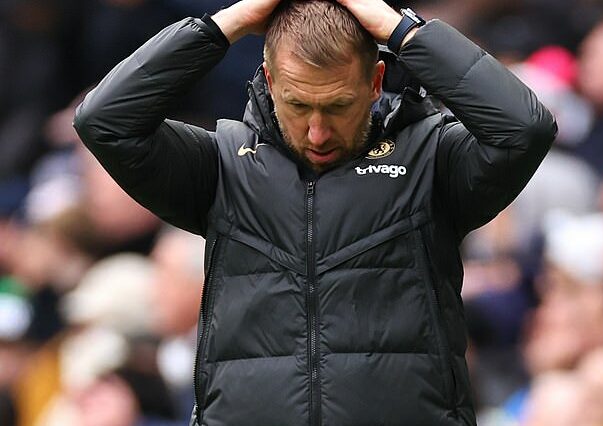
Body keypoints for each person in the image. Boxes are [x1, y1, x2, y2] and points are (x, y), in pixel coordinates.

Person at [73, 0, 557, 424]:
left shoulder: (431, 158)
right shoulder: (220, 166)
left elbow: (524, 129)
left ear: (376, 80)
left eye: (338, 105)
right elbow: (105, 120)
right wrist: (225, 24)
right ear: (267, 78)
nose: (317, 132)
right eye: (297, 104)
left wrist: (403, 30)